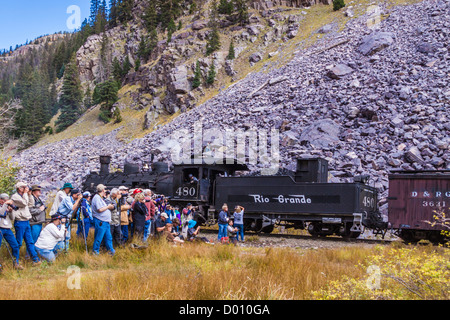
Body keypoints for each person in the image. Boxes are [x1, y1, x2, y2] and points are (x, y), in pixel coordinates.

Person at [11, 182, 41, 265]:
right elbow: (24, 203)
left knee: (30, 241)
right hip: (19, 221)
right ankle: (15, 261)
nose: (26, 188)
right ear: (20, 188)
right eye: (24, 187)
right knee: (18, 243)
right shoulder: (15, 197)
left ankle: (36, 260)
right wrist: (25, 194)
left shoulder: (25, 195)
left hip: (26, 221)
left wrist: (30, 194)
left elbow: (31, 204)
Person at [91, 184, 115, 256]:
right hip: (100, 221)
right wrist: (108, 206)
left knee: (108, 237)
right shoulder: (97, 198)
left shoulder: (100, 198)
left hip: (105, 221)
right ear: (103, 190)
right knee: (99, 237)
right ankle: (95, 252)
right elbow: (100, 209)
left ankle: (111, 251)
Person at [0, 194, 23, 270]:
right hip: (0, 228)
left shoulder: (6, 206)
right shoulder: (3, 206)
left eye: (6, 200)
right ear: (0, 200)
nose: (5, 201)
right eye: (4, 200)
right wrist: (5, 205)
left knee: (15, 245)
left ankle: (16, 263)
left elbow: (12, 218)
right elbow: (1, 213)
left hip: (7, 228)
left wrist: (11, 211)